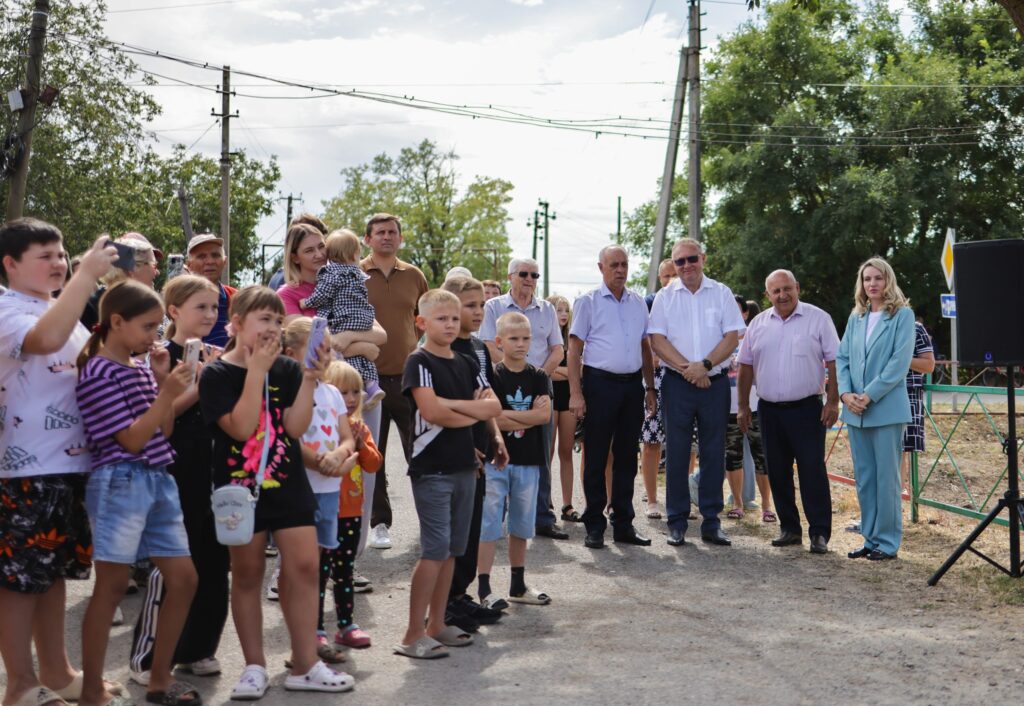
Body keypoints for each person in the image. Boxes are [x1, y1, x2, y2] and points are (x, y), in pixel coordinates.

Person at [199, 286, 353, 698]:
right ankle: (254, 666)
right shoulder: (216, 375)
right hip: (239, 488)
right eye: (264, 319)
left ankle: (306, 663)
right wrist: (255, 372)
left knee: (304, 565)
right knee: (247, 573)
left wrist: (309, 377)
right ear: (236, 323)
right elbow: (240, 428)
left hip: (287, 483)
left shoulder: (286, 369)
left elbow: (295, 428)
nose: (273, 328)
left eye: (277, 320)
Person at [0, 221, 119, 706]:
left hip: (69, 466)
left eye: (63, 253)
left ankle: (56, 671)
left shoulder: (60, 306)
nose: (60, 263)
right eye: (45, 255)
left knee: (50, 575)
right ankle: (19, 684)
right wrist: (86, 277)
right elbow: (45, 341)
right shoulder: (6, 307)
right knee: (19, 580)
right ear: (10, 264)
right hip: (25, 468)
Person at [74, 280, 200, 706]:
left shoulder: (140, 367)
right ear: (116, 322)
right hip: (120, 481)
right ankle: (91, 689)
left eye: (157, 327)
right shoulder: (98, 372)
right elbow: (130, 440)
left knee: (184, 579)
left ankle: (159, 678)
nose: (154, 336)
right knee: (111, 587)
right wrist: (167, 392)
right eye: (147, 327)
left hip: (157, 477)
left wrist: (162, 383)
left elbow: (163, 430)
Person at [128, 275, 229, 686]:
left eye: (214, 307)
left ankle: (197, 648)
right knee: (172, 564)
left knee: (214, 561)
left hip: (216, 469)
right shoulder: (159, 356)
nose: (210, 314)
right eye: (200, 306)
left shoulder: (217, 355)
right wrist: (201, 381)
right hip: (176, 470)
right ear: (173, 311)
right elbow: (162, 420)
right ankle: (148, 658)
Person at [397, 289, 501, 660]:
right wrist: (471, 410)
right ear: (421, 322)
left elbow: (493, 406)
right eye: (442, 318)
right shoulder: (419, 361)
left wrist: (455, 406)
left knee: (454, 550)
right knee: (434, 551)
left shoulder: (467, 361)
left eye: (454, 318)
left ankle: (437, 624)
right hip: (433, 470)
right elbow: (431, 412)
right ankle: (412, 635)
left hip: (464, 468)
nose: (450, 324)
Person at [649, 238, 746, 547]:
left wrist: (704, 366)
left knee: (713, 452)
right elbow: (657, 340)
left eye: (692, 258)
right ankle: (677, 521)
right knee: (677, 453)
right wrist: (688, 370)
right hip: (678, 383)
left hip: (714, 383)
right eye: (680, 261)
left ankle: (711, 521)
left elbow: (732, 336)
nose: (686, 265)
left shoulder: (721, 292)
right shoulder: (665, 297)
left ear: (703, 258)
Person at [737, 270, 840, 555]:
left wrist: (833, 401)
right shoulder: (757, 324)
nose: (782, 295)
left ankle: (819, 533)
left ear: (797, 288)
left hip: (808, 409)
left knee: (812, 470)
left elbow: (834, 361)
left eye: (787, 289)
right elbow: (745, 366)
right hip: (769, 410)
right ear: (767, 295)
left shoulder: (818, 318)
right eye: (776, 291)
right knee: (778, 471)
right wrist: (743, 406)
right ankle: (790, 529)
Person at [281, 318, 358, 666]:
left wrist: (339, 456)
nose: (326, 356)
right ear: (290, 353)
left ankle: (314, 635)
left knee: (317, 567)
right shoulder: (289, 390)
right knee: (300, 568)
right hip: (300, 490)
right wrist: (319, 461)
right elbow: (289, 437)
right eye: (318, 349)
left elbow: (347, 436)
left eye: (328, 349)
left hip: (329, 490)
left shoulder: (331, 393)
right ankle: (303, 641)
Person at [568, 246, 655, 549]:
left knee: (627, 456)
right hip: (599, 384)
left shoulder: (638, 302)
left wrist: (650, 387)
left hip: (632, 386)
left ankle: (623, 523)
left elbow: (645, 347)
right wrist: (576, 393)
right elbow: (574, 350)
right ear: (601, 267)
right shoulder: (588, 302)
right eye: (614, 264)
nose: (620, 270)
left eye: (624, 264)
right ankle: (594, 524)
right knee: (596, 456)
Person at [481, 257, 566, 540]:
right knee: (501, 450)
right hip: (502, 385)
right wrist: (514, 374)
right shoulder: (494, 307)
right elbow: (488, 345)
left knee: (541, 455)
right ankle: (499, 516)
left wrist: (536, 378)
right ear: (510, 276)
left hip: (539, 388)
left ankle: (542, 517)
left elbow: (557, 349)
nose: (530, 279)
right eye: (524, 274)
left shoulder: (547, 309)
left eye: (534, 275)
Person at [441, 276, 507, 633]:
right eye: (470, 306)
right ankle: (444, 603)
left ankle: (460, 594)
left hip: (480, 450)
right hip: (455, 450)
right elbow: (445, 407)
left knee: (472, 526)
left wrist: (495, 436)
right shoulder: (445, 349)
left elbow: (486, 399)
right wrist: (465, 445)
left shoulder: (480, 348)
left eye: (481, 305)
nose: (479, 312)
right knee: (454, 531)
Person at [837, 257, 915, 562]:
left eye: (878, 278)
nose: (872, 283)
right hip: (855, 411)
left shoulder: (902, 315)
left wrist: (868, 396)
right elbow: (843, 358)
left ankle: (888, 542)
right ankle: (870, 539)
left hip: (885, 409)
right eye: (867, 278)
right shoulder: (856, 317)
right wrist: (846, 394)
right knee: (866, 478)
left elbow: (899, 363)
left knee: (887, 480)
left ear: (888, 281)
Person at [361, 213, 429, 550]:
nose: (387, 237)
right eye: (380, 232)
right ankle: (379, 523)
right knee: (374, 455)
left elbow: (424, 319)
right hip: (367, 379)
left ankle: (429, 518)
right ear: (367, 239)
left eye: (392, 232)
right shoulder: (355, 273)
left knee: (421, 449)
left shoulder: (415, 275)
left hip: (408, 378)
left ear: (400, 238)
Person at [478, 312, 552, 607]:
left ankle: (518, 585)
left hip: (529, 461)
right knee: (489, 523)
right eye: (513, 338)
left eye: (526, 338)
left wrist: (509, 416)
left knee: (521, 523)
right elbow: (491, 417)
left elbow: (545, 416)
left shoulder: (539, 376)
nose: (521, 344)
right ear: (499, 341)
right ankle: (484, 588)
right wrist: (528, 416)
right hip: (496, 461)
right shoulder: (492, 376)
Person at [320, 361, 382, 649]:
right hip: (324, 509)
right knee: (319, 572)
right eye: (343, 392)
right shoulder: (321, 426)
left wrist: (361, 444)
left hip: (351, 512)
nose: (351, 398)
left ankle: (346, 624)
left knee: (344, 570)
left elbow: (373, 464)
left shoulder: (359, 427)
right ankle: (315, 627)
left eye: (355, 391)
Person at [300, 230, 386, 408]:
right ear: (354, 255)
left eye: (321, 248)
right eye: (309, 250)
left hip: (341, 319)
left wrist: (306, 302)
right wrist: (363, 346)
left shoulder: (331, 273)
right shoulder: (357, 273)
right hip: (363, 317)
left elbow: (322, 294)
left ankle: (355, 387)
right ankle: (371, 385)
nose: (319, 254)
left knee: (347, 362)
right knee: (364, 358)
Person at [725, 295, 773, 522]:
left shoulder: (756, 336)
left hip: (756, 406)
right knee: (732, 456)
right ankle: (737, 503)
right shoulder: (718, 340)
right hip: (727, 408)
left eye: (737, 311)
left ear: (745, 314)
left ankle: (767, 506)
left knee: (762, 456)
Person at [640, 258, 678, 519]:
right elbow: (641, 338)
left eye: (674, 274)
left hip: (682, 376)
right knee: (651, 440)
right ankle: (652, 499)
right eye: (666, 276)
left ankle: (681, 497)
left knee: (685, 443)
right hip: (654, 378)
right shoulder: (650, 302)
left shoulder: (691, 302)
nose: (671, 279)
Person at [80, 232, 162, 330]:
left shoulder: (145, 305)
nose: (157, 272)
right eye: (154, 265)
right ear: (133, 269)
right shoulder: (90, 309)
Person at [546, 294, 579, 522]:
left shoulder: (572, 339)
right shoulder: (545, 339)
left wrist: (557, 370)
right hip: (548, 396)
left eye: (566, 310)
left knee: (566, 451)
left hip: (568, 399)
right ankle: (545, 501)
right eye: (559, 310)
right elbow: (543, 371)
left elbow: (580, 370)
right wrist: (568, 372)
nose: (564, 314)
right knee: (546, 453)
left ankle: (567, 504)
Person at [184, 234, 235, 348]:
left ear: (225, 261)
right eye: (202, 256)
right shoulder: (179, 301)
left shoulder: (237, 298)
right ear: (189, 265)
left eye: (215, 255)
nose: (210, 261)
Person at [901, 321, 935, 492]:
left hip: (907, 395)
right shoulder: (870, 324)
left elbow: (929, 365)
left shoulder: (914, 328)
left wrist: (899, 359)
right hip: (875, 395)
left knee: (900, 449)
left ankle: (899, 497)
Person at [268, 214, 329, 292]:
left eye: (321, 246)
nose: (319, 255)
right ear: (295, 257)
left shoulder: (336, 281)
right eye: (309, 250)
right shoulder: (286, 286)